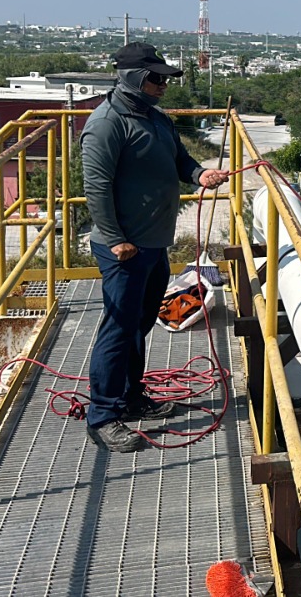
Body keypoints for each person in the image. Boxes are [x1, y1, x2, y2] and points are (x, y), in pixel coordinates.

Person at [81, 43, 231, 452]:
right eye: (156, 78)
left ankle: (131, 399)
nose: (163, 85)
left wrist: (200, 175)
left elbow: (181, 161)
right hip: (124, 249)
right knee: (117, 331)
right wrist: (115, 239)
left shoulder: (157, 119)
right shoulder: (107, 124)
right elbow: (95, 187)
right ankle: (103, 416)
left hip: (153, 244)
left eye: (165, 78)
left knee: (138, 325)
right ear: (131, 77)